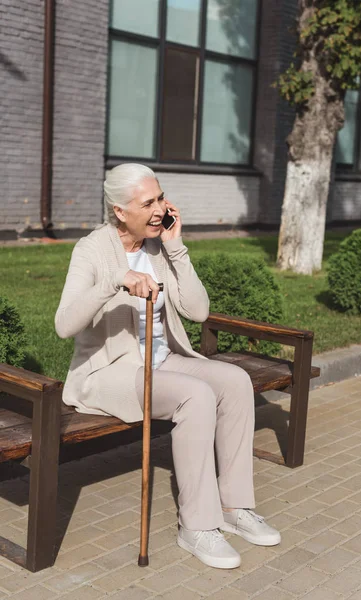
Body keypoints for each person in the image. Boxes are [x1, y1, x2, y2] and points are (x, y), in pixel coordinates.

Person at [55, 163, 281, 569]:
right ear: (120, 210)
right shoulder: (90, 250)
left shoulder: (159, 248)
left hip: (162, 362)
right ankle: (196, 525)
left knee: (234, 380)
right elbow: (63, 324)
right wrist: (115, 280)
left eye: (160, 198)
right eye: (149, 202)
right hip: (109, 374)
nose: (160, 208)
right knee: (195, 396)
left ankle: (234, 506)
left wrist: (177, 248)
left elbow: (199, 311)